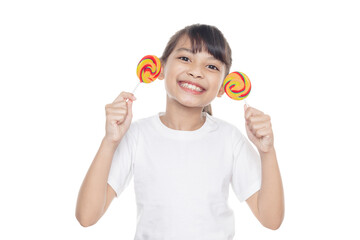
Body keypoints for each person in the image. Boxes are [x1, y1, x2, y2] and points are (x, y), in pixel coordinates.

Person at [76, 24, 284, 239]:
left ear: (224, 86)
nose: (196, 71)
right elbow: (87, 217)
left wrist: (267, 152)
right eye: (185, 58)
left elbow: (271, 220)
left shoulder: (229, 139)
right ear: (160, 68)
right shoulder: (138, 135)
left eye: (212, 66)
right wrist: (109, 141)